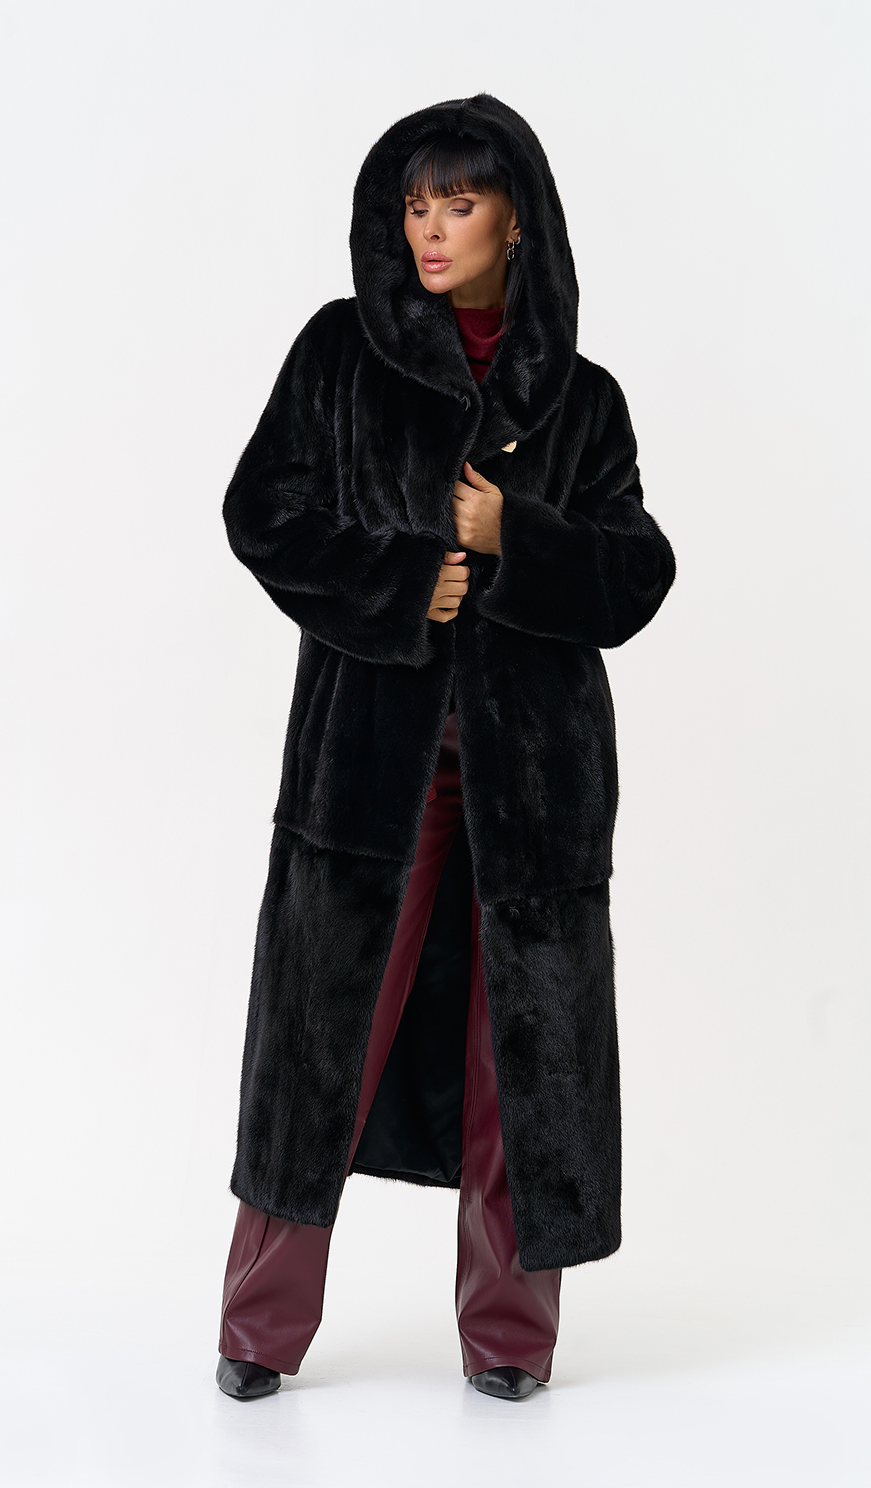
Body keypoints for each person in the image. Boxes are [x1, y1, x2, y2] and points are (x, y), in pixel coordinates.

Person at [216, 93, 676, 1401]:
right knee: (319, 1046)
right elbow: (260, 513)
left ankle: (512, 1342)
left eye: (458, 204)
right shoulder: (339, 355)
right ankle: (257, 1331)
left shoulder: (581, 400)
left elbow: (638, 574)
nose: (430, 229)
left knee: (519, 1061)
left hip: (535, 791)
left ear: (515, 220)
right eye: (415, 205)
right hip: (368, 776)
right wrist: (402, 578)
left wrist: (511, 537)